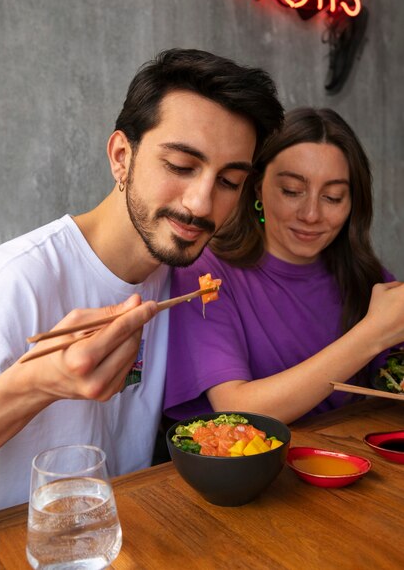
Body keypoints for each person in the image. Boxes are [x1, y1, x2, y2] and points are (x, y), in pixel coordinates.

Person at [0, 48, 283, 511]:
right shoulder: (14, 280)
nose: (201, 203)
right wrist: (39, 384)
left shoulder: (188, 282)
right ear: (122, 156)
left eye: (228, 181)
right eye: (182, 166)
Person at [164, 107, 404, 425]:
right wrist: (372, 334)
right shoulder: (205, 275)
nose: (311, 214)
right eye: (292, 191)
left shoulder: (365, 278)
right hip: (252, 471)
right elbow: (236, 409)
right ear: (257, 185)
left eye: (332, 197)